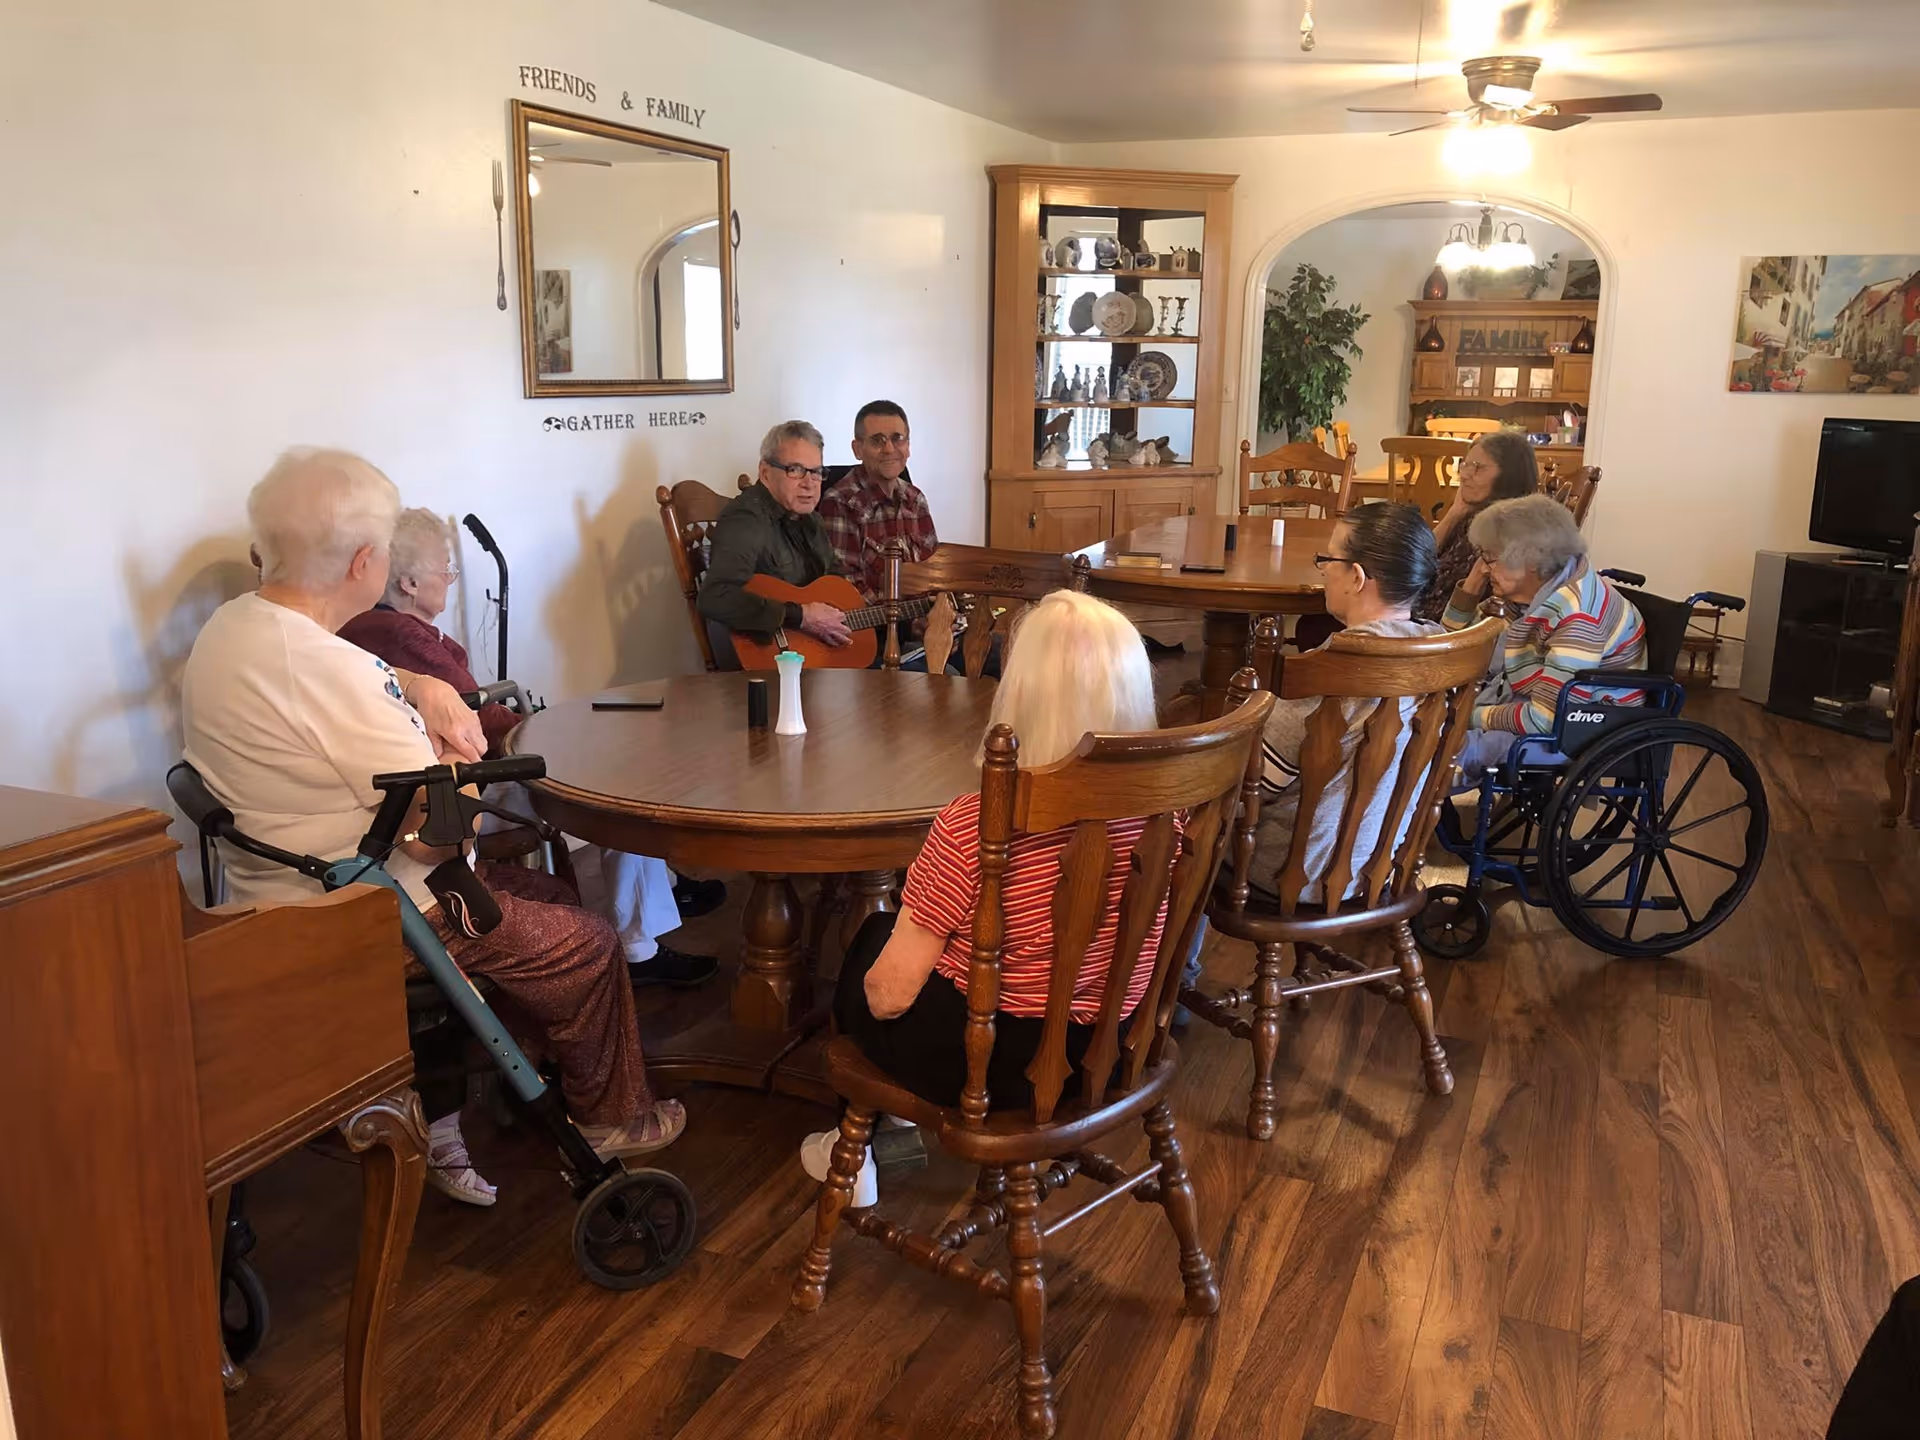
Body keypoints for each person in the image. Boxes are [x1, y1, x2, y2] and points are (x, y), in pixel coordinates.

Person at [182, 448, 686, 1210]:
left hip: (284, 887)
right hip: (374, 911)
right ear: (364, 562)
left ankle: (535, 1067)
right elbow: (435, 840)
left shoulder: (233, 628)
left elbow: (369, 708)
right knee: (587, 944)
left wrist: (420, 687)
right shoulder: (332, 674)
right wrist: (456, 758)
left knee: (549, 890)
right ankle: (614, 1120)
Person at [798, 589, 1168, 1203]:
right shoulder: (1169, 819)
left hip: (989, 1065)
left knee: (870, 942)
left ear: (1018, 692)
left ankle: (856, 1152)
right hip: (1114, 1046)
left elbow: (888, 999)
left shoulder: (976, 825)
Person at [339, 509, 721, 985]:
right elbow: (481, 722)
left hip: (445, 790)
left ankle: (662, 889)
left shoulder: (384, 629)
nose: (451, 579)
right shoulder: (397, 635)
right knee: (616, 782)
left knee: (611, 762)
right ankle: (638, 947)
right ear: (410, 583)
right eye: (445, 569)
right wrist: (550, 727)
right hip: (453, 802)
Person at [1250, 501, 1445, 901]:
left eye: (1328, 559)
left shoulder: (1334, 667)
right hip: (1380, 867)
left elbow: (1257, 780)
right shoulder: (1440, 650)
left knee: (1173, 827)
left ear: (1356, 576)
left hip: (1297, 874)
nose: (1323, 570)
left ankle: (1181, 966)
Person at [1442, 493, 1647, 777]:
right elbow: (1449, 649)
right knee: (1435, 729)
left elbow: (1543, 720)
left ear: (1532, 560)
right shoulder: (1529, 593)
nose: (1483, 566)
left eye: (1491, 557)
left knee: (1454, 749)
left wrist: (1464, 716)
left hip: (1580, 726)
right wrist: (1470, 588)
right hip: (1535, 704)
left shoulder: (1577, 618)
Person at [697, 420, 849, 667]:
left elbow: (835, 583)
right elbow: (714, 597)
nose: (809, 484)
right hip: (765, 667)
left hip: (814, 659)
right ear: (765, 473)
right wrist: (801, 616)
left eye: (816, 472)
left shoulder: (812, 521)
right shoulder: (746, 520)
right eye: (795, 470)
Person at [814, 400, 938, 605]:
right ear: (857, 449)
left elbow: (933, 573)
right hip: (874, 630)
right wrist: (908, 622)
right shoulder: (841, 503)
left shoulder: (916, 499)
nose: (889, 449)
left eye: (897, 438)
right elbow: (848, 590)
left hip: (923, 623)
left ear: (908, 446)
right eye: (877, 440)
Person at [1413, 431, 1538, 622]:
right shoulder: (1471, 513)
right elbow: (1415, 561)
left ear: (1509, 474)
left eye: (1478, 468)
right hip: (1416, 613)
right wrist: (1454, 513)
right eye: (1465, 465)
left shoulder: (1500, 533)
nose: (1465, 475)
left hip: (1434, 632)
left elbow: (1413, 570)